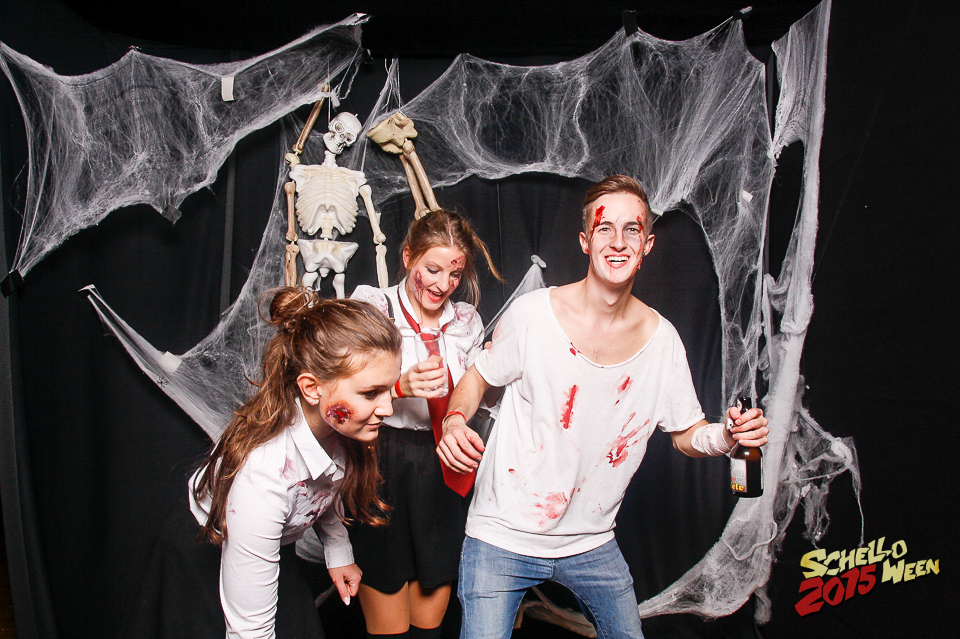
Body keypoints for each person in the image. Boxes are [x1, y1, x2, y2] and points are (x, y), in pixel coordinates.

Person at [437, 175, 769, 639]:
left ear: (647, 244)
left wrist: (727, 437)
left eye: (631, 229)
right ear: (585, 240)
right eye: (604, 228)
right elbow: (477, 377)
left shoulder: (663, 342)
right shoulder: (532, 316)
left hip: (591, 543)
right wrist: (454, 421)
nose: (617, 242)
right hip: (501, 537)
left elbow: (687, 433)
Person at [121, 287, 402, 639]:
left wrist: (338, 549)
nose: (387, 408)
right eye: (371, 393)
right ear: (311, 388)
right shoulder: (265, 475)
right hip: (204, 556)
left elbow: (321, 485)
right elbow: (249, 630)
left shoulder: (339, 424)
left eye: (389, 389)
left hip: (274, 547)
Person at [349, 209, 502, 639]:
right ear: (407, 256)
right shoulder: (374, 306)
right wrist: (398, 387)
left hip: (443, 463)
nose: (442, 284)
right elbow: (339, 389)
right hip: (380, 458)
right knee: (388, 622)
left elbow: (481, 398)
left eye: (454, 274)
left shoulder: (466, 320)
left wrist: (496, 372)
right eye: (432, 270)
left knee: (429, 623)